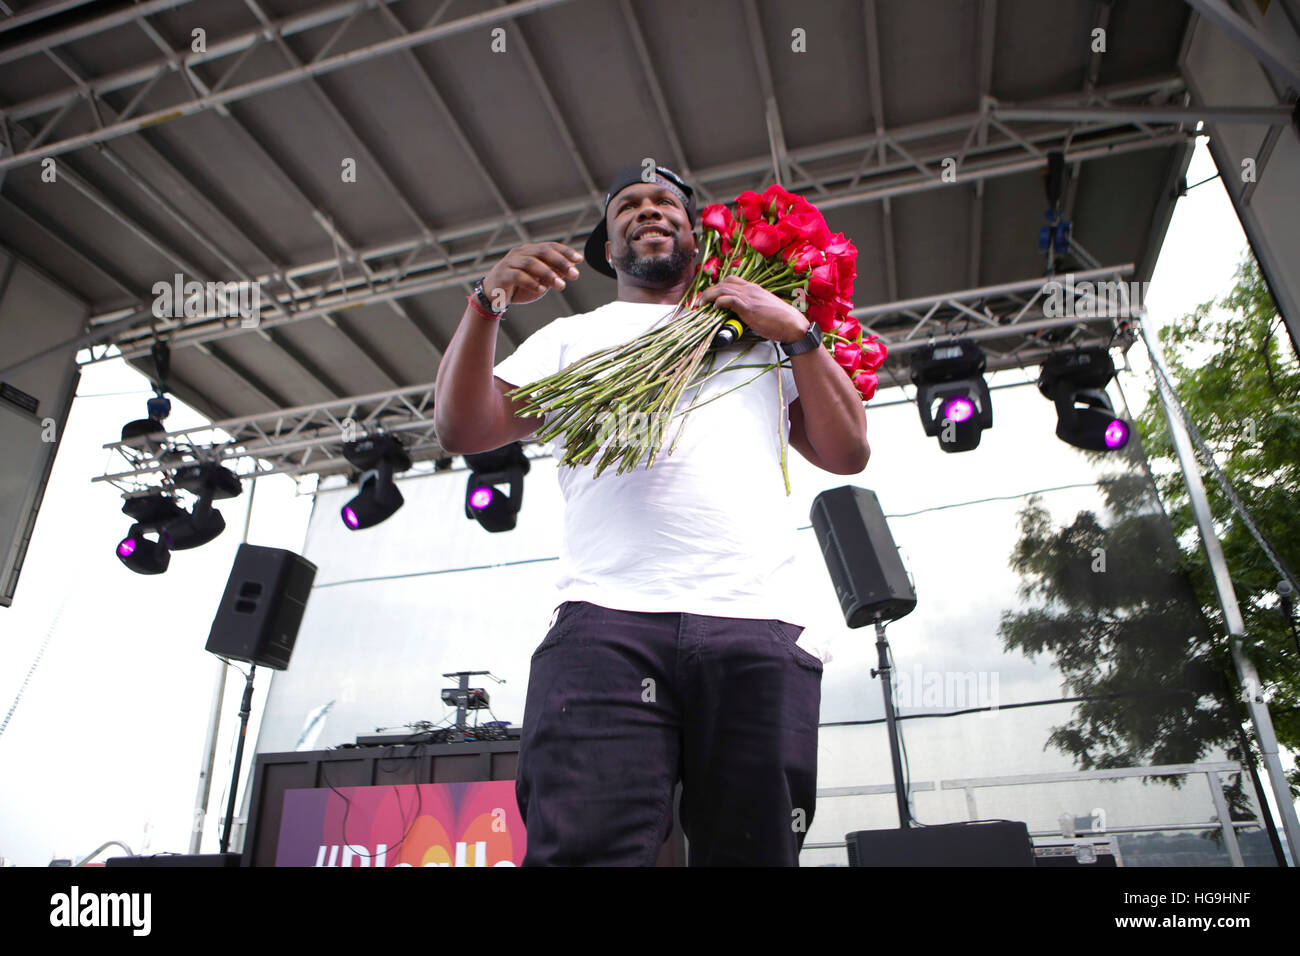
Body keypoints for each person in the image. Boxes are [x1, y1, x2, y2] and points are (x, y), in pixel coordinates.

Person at [434, 164, 869, 866]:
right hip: (603, 625)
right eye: (628, 206)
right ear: (609, 249)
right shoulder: (570, 339)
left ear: (699, 239)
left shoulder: (763, 334)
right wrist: (486, 303)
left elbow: (847, 452)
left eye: (666, 202)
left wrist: (796, 330)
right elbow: (461, 429)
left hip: (753, 621)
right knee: (583, 848)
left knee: (755, 853)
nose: (649, 209)